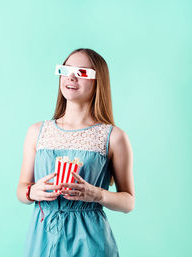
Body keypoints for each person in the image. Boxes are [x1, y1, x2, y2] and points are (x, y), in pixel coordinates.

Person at [16, 48, 135, 257]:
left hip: (90, 241)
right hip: (43, 237)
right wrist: (31, 192)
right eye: (66, 70)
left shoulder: (114, 137)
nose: (71, 77)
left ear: (98, 81)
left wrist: (95, 194)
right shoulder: (36, 132)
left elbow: (128, 202)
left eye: (81, 72)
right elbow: (21, 189)